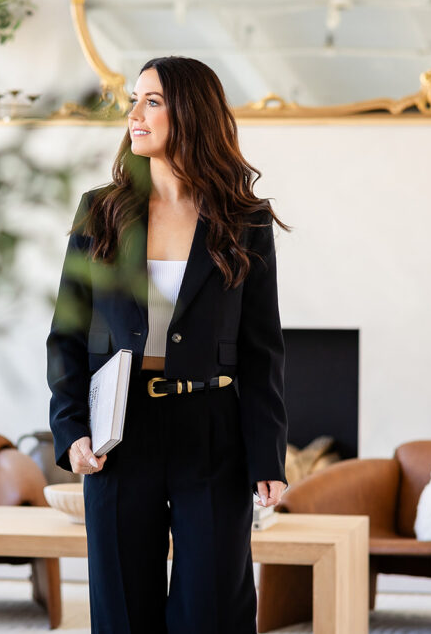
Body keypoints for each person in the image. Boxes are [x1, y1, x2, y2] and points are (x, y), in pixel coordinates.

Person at [46, 56, 290, 633]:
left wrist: (268, 454)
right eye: (134, 100)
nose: (134, 113)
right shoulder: (100, 211)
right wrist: (71, 429)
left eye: (151, 101)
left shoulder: (245, 220)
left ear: (191, 112)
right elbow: (67, 335)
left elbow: (262, 349)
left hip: (211, 428)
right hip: (118, 429)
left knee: (213, 608)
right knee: (122, 612)